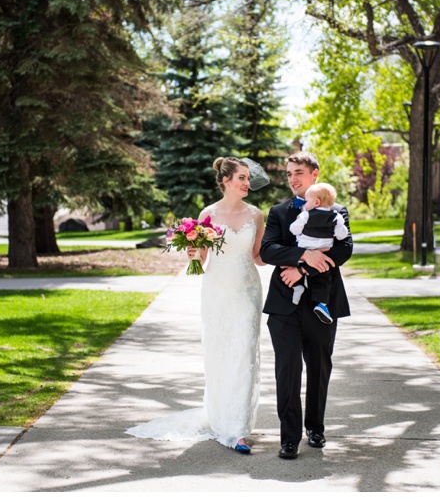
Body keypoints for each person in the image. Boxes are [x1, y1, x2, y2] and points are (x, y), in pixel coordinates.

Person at [126, 156, 268, 454]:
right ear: (226, 181)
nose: (247, 183)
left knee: (244, 353)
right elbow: (202, 259)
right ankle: (220, 418)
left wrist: (289, 254)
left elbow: (258, 256)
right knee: (220, 352)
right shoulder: (209, 213)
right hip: (217, 289)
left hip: (247, 289)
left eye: (247, 178)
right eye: (241, 178)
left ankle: (239, 430)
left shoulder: (256, 215)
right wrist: (192, 250)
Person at [260, 151, 353, 460]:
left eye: (298, 171)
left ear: (315, 174)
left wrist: (303, 268)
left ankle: (316, 428)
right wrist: (301, 255)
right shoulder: (279, 211)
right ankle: (289, 438)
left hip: (323, 305)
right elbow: (269, 250)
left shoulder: (337, 209)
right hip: (284, 305)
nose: (293, 178)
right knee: (287, 370)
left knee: (319, 367)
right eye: (288, 173)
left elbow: (344, 249)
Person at [288, 182, 348, 324]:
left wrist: (298, 222)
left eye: (307, 201)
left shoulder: (306, 215)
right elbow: (342, 236)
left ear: (316, 202)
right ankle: (322, 304)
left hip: (304, 249)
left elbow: (293, 230)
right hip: (324, 252)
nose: (305, 204)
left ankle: (297, 286)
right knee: (323, 277)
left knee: (291, 262)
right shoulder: (336, 216)